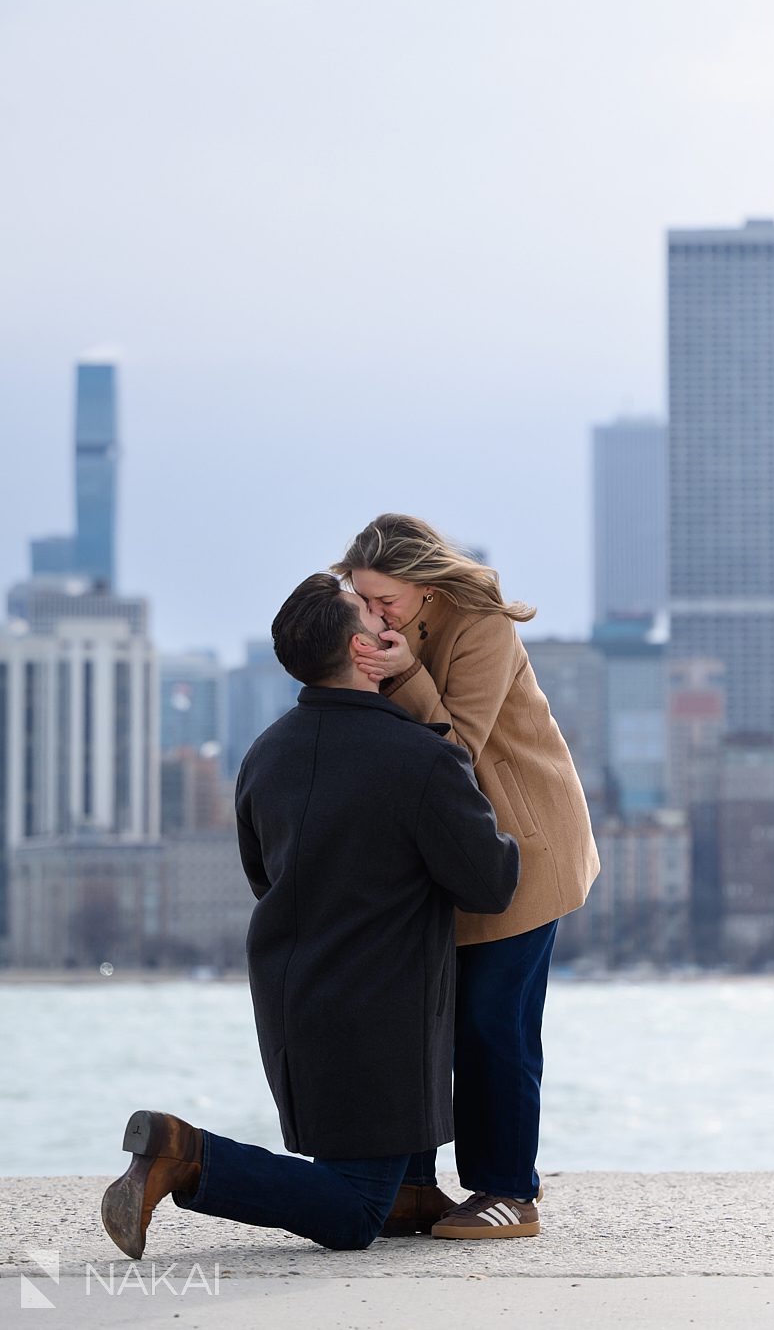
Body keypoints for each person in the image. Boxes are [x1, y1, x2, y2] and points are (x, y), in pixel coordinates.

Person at [100, 574, 520, 1260]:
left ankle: (210, 1158)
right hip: (382, 1015)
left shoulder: (264, 754)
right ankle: (188, 1154)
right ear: (365, 649)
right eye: (374, 616)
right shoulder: (423, 759)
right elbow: (490, 882)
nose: (391, 624)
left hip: (292, 1004)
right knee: (355, 1210)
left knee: (372, 1195)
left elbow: (262, 874)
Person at [337, 513, 600, 1240]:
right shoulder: (372, 630)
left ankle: (508, 1191)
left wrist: (403, 674)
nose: (373, 612)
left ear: (424, 587)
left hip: (522, 851)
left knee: (494, 1025)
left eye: (384, 599)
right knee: (420, 1024)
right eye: (362, 598)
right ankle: (414, 1186)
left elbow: (454, 747)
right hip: (436, 860)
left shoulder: (481, 627)